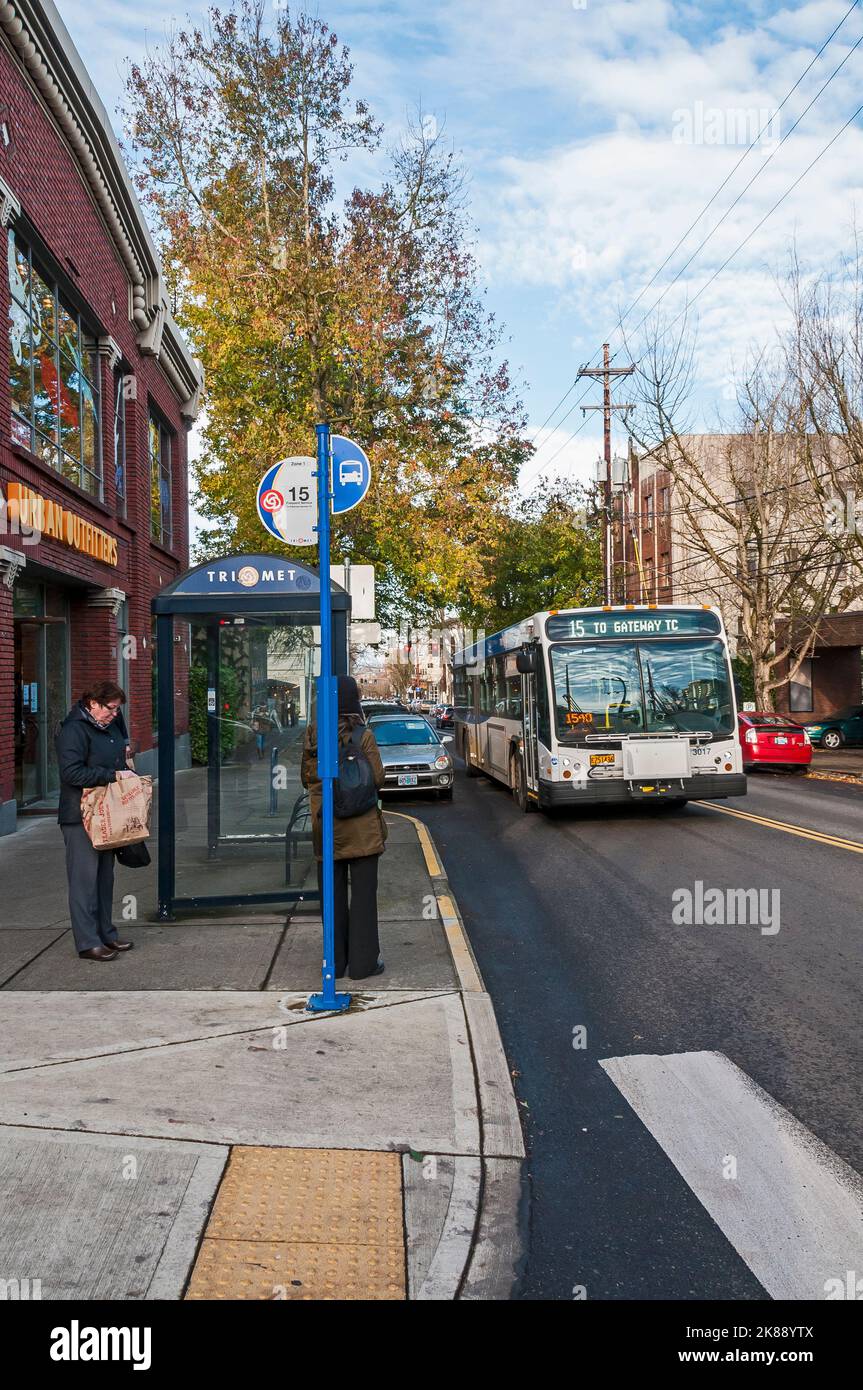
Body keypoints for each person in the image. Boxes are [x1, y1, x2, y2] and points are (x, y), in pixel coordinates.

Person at [301, 674, 387, 979]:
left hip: (327, 829)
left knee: (332, 898)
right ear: (354, 701)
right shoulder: (364, 736)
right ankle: (363, 964)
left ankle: (334, 963)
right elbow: (377, 778)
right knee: (364, 897)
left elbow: (306, 779)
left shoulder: (313, 736)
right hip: (362, 829)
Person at [56, 681, 137, 962]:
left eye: (117, 710)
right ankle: (88, 942)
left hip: (106, 813)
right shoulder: (73, 730)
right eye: (111, 709)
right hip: (79, 816)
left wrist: (126, 764)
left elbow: (119, 755)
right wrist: (113, 775)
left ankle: (107, 934)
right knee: (84, 881)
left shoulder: (110, 726)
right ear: (93, 703)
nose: (114, 715)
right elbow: (72, 774)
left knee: (105, 878)